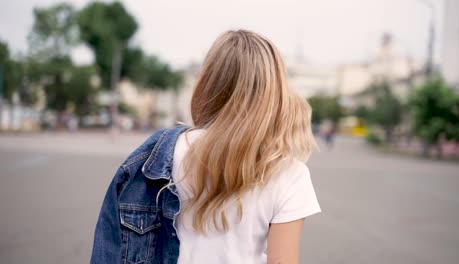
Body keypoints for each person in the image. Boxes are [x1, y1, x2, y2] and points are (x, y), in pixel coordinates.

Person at [91, 29, 321, 264]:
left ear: (209, 81)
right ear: (275, 90)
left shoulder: (156, 155)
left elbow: (109, 249)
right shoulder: (289, 173)